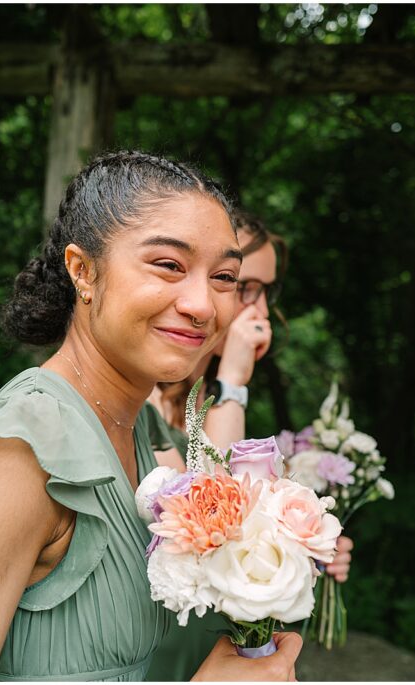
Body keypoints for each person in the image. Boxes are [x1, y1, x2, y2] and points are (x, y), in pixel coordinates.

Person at [0, 151, 304, 681]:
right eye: (169, 265)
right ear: (83, 270)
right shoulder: (27, 449)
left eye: (224, 276)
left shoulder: (142, 429)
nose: (202, 304)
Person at [144, 210, 354, 681]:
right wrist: (234, 379)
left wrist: (304, 541)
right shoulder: (148, 396)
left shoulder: (202, 395)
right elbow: (215, 508)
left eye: (265, 290)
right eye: (243, 286)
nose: (260, 311)